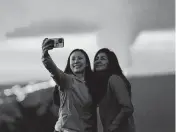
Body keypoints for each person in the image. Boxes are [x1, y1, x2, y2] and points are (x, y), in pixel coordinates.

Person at [41, 38, 97, 132]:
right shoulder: (67, 80)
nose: (76, 61)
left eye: (80, 58)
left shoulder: (93, 86)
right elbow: (51, 68)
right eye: (73, 59)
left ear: (87, 63)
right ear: (69, 63)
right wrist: (45, 54)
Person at [93, 48, 135, 132]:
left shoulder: (114, 79)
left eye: (103, 59)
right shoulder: (101, 83)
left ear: (110, 62)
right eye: (96, 59)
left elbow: (127, 107)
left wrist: (113, 126)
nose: (98, 61)